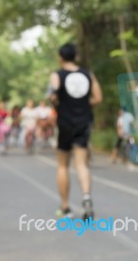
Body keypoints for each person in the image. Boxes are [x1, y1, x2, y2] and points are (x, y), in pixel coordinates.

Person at [48, 43, 103, 220]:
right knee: (81, 163)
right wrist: (83, 106)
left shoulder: (57, 75)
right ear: (76, 56)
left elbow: (53, 96)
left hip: (64, 122)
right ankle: (86, 198)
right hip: (83, 122)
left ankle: (65, 207)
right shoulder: (88, 74)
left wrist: (60, 103)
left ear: (61, 57)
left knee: (63, 165)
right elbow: (98, 98)